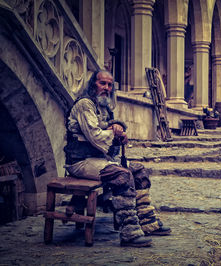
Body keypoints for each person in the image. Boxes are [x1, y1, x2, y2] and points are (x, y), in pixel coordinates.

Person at [63, 70, 171, 247]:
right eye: (102, 83)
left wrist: (119, 135)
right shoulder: (85, 105)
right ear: (93, 85)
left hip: (98, 159)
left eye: (109, 85)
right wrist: (113, 133)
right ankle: (129, 232)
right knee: (122, 175)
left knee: (138, 171)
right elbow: (96, 136)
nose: (106, 88)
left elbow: (107, 132)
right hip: (80, 162)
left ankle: (147, 222)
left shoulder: (104, 108)